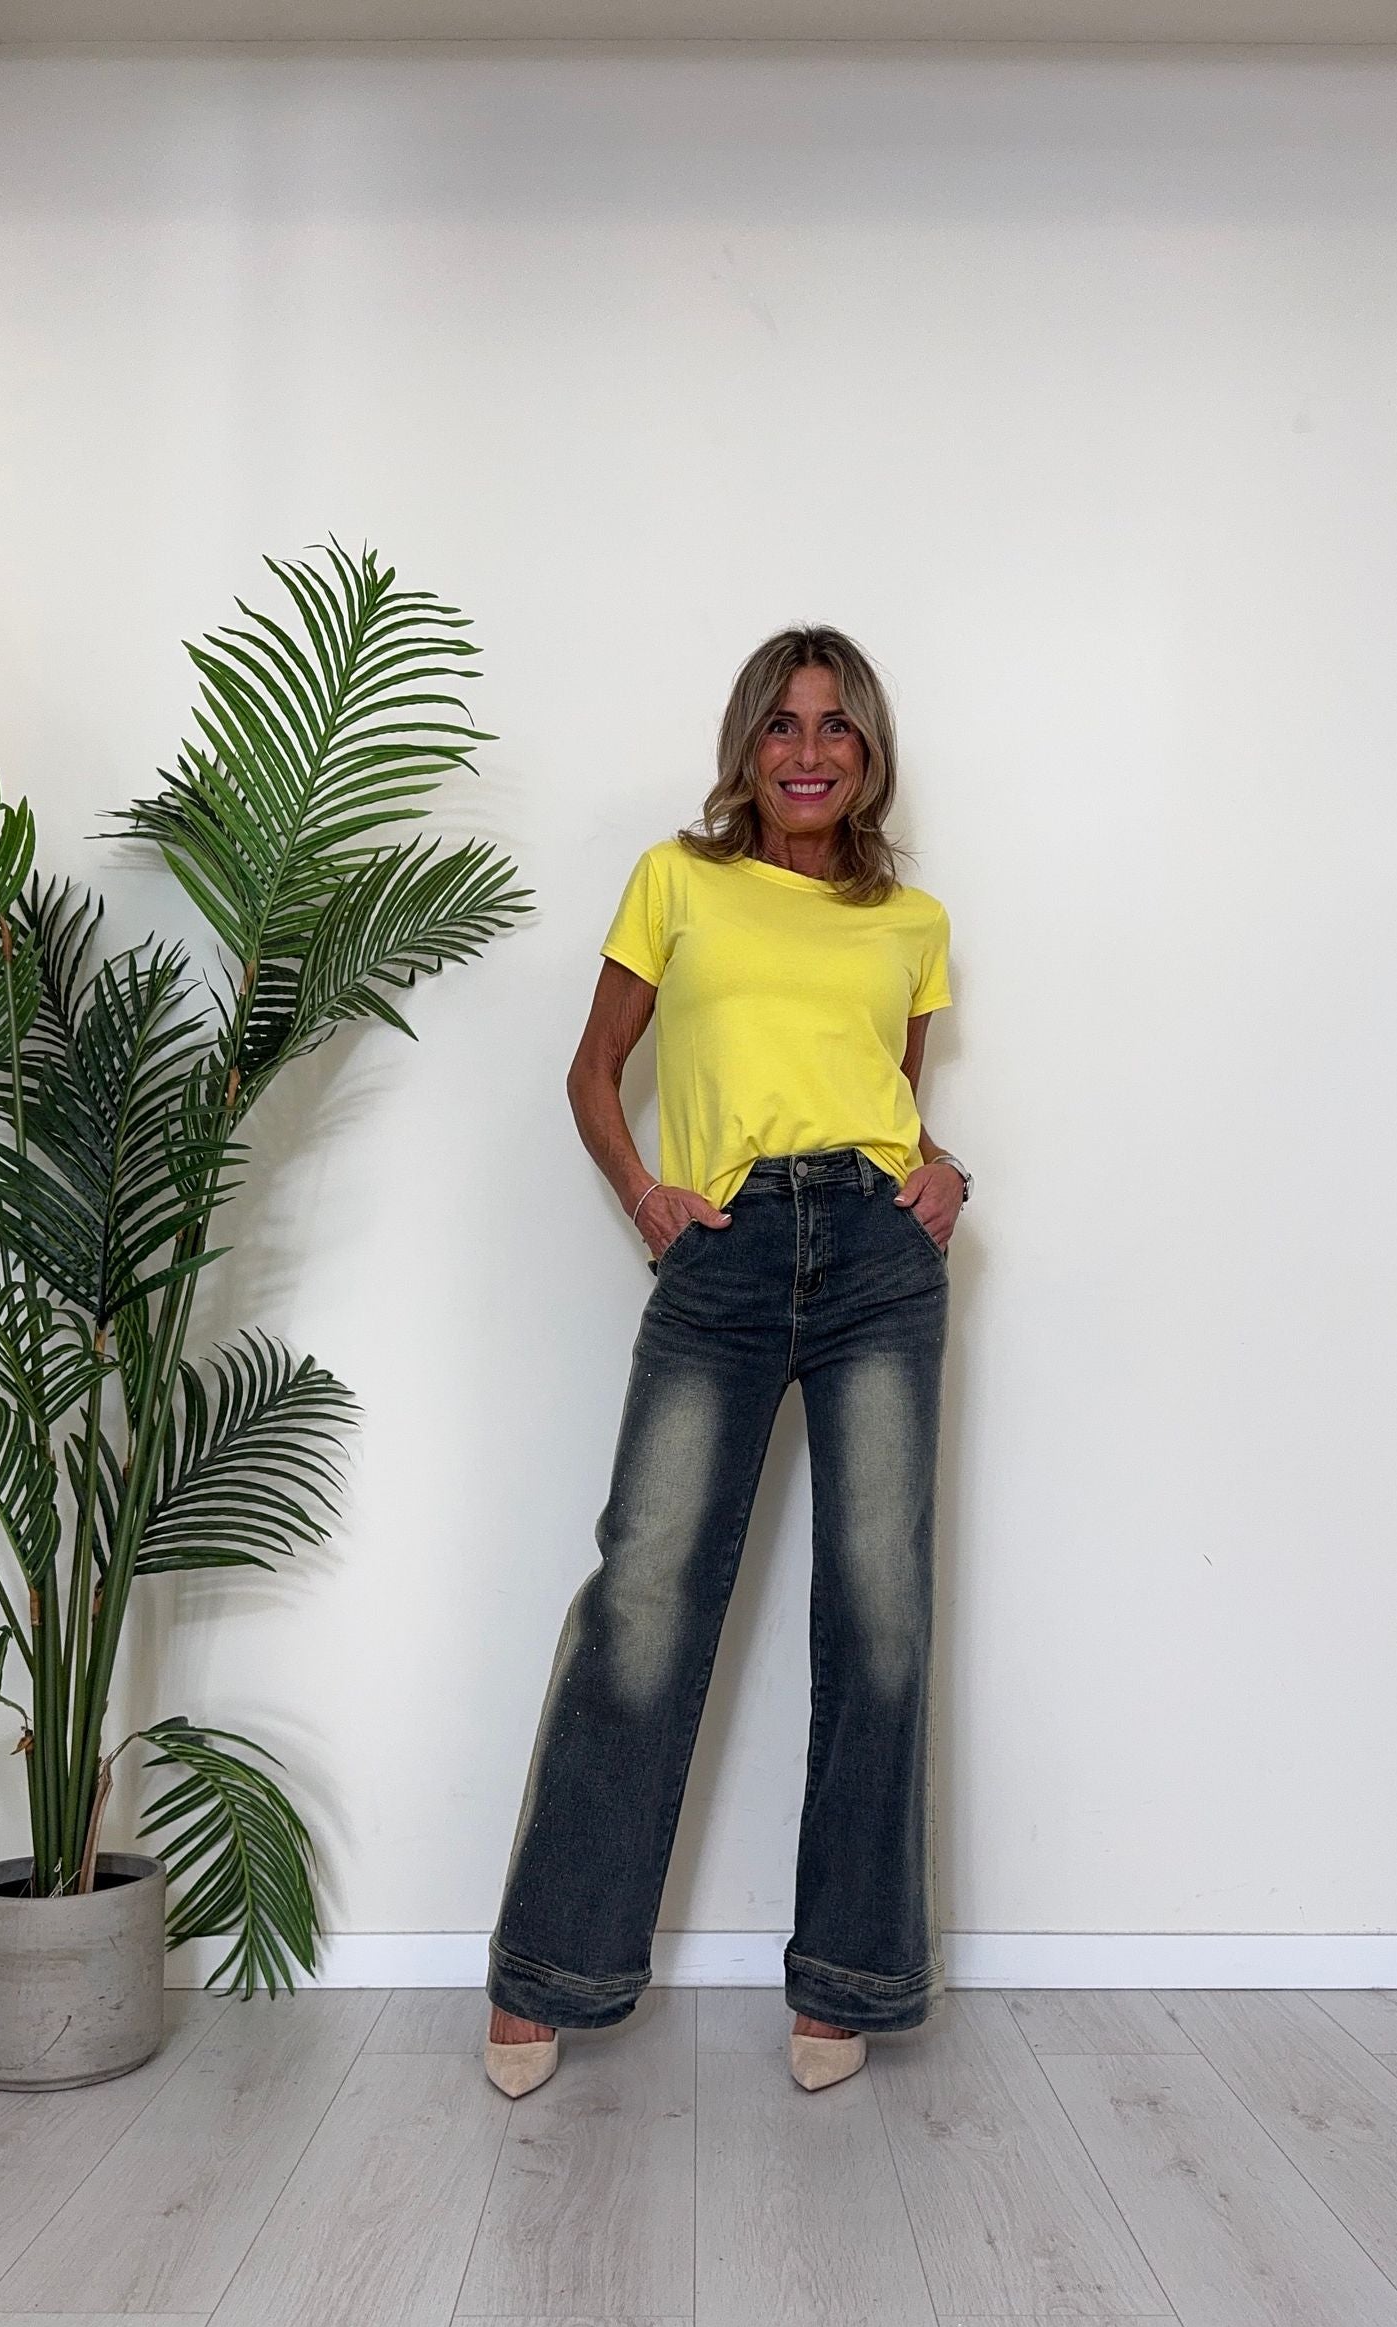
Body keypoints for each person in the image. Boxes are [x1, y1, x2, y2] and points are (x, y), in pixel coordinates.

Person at [484, 624, 970, 2099]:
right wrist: (646, 1195)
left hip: (880, 1260)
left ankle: (849, 1981)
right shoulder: (676, 880)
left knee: (880, 1612)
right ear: (747, 747)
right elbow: (594, 1068)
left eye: (836, 726)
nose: (809, 752)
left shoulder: (913, 923)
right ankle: (550, 1972)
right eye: (782, 725)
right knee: (644, 1595)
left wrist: (943, 1168)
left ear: (869, 754)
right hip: (725, 1250)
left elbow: (883, 1099)